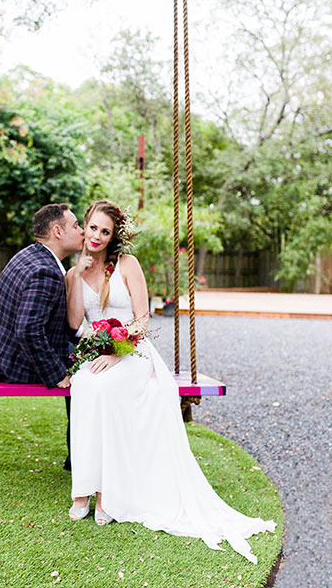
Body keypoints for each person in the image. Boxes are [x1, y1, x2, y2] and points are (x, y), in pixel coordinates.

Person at [65, 199, 275, 563]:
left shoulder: (127, 265)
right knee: (85, 386)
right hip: (98, 353)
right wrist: (77, 276)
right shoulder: (76, 271)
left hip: (132, 351)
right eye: (93, 228)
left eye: (105, 231)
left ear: (114, 236)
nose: (97, 236)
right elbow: (74, 323)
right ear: (85, 227)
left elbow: (143, 319)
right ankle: (83, 488)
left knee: (108, 388)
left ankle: (107, 495)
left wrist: (118, 351)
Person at [0, 203, 84, 463]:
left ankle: (78, 455)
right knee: (89, 374)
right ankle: (82, 456)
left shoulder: (31, 255)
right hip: (8, 365)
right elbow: (28, 331)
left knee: (85, 361)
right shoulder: (44, 271)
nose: (83, 231)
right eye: (76, 225)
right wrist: (57, 375)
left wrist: (83, 337)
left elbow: (47, 322)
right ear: (57, 231)